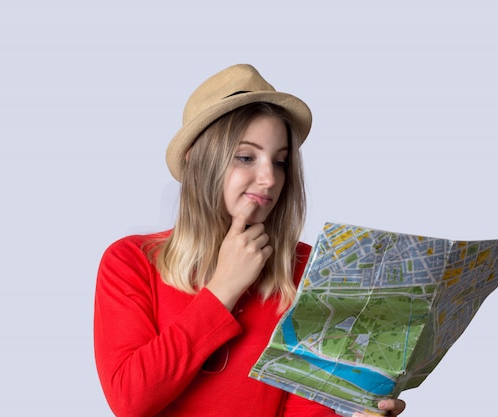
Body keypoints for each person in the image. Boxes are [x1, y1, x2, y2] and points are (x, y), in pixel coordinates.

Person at [93, 64, 407, 417]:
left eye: (281, 162)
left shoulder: (312, 271)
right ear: (196, 160)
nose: (269, 178)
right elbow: (130, 401)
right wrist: (223, 289)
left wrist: (353, 410)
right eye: (246, 157)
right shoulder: (131, 261)